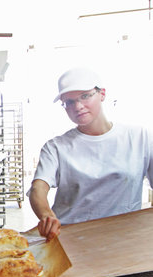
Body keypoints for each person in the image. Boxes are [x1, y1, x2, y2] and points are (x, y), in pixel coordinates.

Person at [28, 67, 153, 240]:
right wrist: (46, 215)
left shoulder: (140, 138)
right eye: (69, 102)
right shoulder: (56, 147)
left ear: (102, 94)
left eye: (85, 96)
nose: (78, 107)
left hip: (126, 239)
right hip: (70, 239)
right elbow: (38, 189)